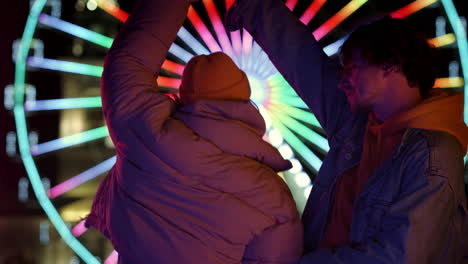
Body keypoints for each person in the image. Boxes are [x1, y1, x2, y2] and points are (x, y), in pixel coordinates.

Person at [225, 0, 468, 263]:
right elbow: (304, 63)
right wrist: (256, 9)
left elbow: (400, 255)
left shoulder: (434, 153)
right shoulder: (358, 126)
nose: (342, 81)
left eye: (352, 69)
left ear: (390, 65)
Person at [85, 0, 303, 263]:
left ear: (185, 95)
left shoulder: (142, 135)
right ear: (246, 100)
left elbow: (128, 61)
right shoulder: (273, 199)